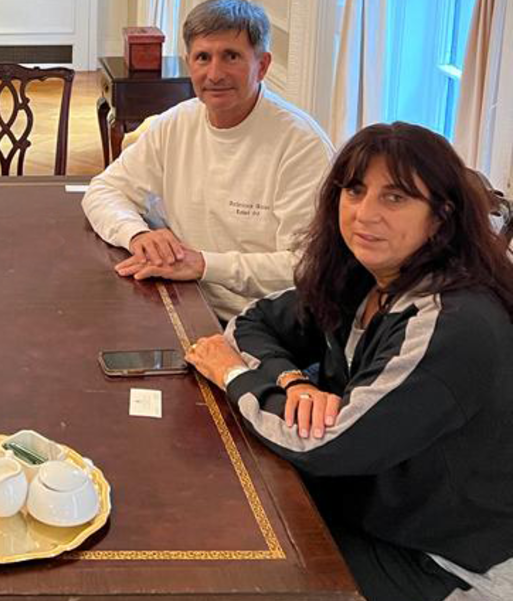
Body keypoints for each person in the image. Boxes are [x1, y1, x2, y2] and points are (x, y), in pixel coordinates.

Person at [186, 122, 513, 601]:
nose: (365, 214)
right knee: (222, 512)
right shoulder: (365, 277)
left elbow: (327, 446)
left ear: (441, 217)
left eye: (396, 198)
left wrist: (233, 375)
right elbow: (253, 321)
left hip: (449, 560)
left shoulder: (453, 325)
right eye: (355, 190)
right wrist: (294, 383)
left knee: (232, 570)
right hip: (373, 505)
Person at [82, 0, 334, 320]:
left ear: (263, 64)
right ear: (190, 64)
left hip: (267, 324)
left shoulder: (302, 145)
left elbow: (304, 265)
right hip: (183, 301)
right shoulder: (175, 123)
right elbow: (104, 190)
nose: (215, 74)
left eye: (231, 56)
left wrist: (203, 264)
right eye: (203, 57)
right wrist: (138, 234)